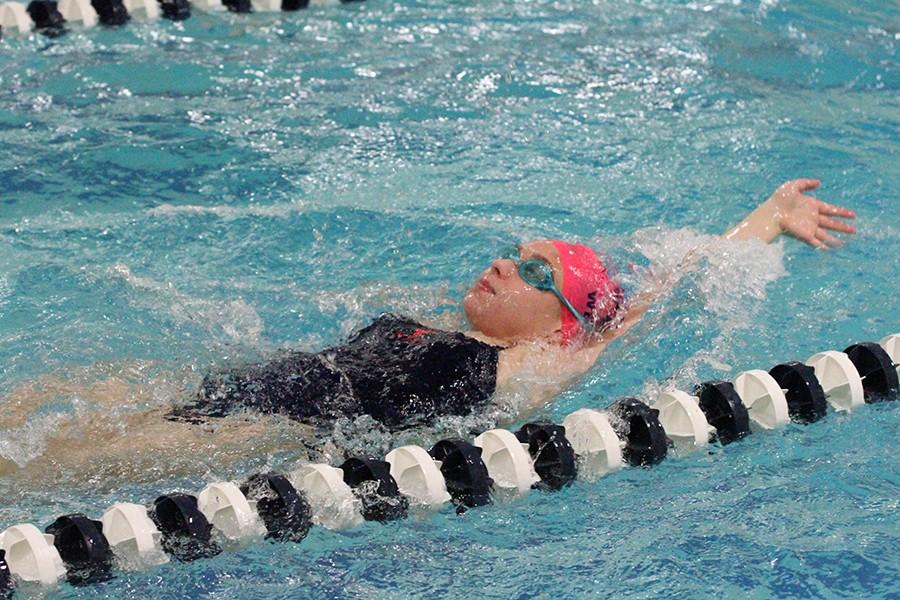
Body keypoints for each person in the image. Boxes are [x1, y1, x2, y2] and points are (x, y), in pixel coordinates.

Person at [0, 179, 856, 488]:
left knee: (45, 465)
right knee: (35, 405)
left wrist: (767, 221)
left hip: (263, 431)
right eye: (516, 254)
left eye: (535, 275)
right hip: (238, 386)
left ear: (562, 328)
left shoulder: (526, 371)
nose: (505, 268)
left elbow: (652, 306)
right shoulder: (441, 319)